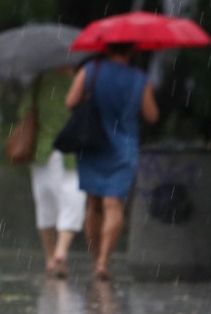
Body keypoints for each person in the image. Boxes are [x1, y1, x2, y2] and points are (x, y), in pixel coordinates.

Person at [64, 42, 159, 281]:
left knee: (93, 205)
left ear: (107, 49)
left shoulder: (91, 70)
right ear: (132, 51)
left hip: (92, 142)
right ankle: (104, 261)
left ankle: (95, 257)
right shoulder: (139, 78)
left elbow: (70, 102)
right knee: (113, 205)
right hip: (123, 147)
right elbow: (151, 115)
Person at [21, 68, 86, 278]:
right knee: (73, 200)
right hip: (70, 151)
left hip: (42, 151)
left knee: (45, 203)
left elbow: (24, 113)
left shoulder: (39, 82)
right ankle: (62, 250)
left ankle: (50, 258)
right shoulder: (78, 82)